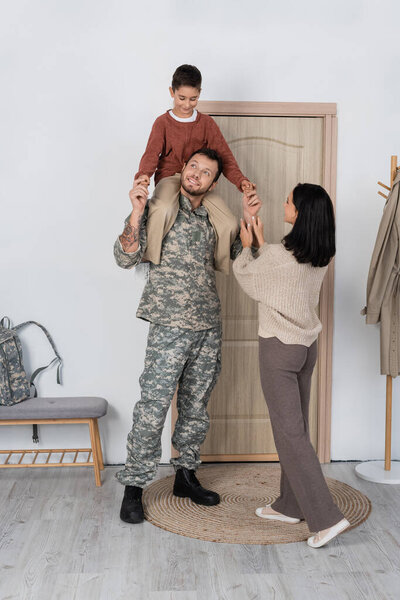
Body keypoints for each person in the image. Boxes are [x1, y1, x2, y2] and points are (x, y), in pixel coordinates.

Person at [114, 148, 261, 524]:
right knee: (153, 408)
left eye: (206, 172)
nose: (197, 173)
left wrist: (250, 223)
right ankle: (134, 487)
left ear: (213, 183)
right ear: (183, 170)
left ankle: (186, 475)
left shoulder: (214, 219)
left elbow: (243, 261)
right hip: (168, 325)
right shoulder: (159, 209)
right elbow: (124, 256)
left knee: (196, 408)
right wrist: (134, 212)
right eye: (193, 166)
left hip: (208, 326)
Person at [233, 183, 350, 548]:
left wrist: (249, 246)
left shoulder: (279, 257)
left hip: (279, 351)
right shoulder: (320, 253)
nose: (284, 204)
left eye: (287, 202)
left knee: (291, 434)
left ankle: (327, 518)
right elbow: (280, 267)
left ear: (297, 213)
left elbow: (246, 275)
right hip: (305, 350)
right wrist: (262, 244)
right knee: (295, 428)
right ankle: (290, 504)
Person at [134, 64, 256, 274]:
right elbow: (151, 154)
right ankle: (150, 258)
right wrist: (144, 176)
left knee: (228, 221)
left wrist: (240, 181)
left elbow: (225, 157)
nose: (186, 104)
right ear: (172, 92)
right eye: (181, 98)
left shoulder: (207, 124)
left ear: (199, 94)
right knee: (162, 208)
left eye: (193, 99)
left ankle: (219, 263)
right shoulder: (162, 123)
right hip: (171, 178)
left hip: (200, 183)